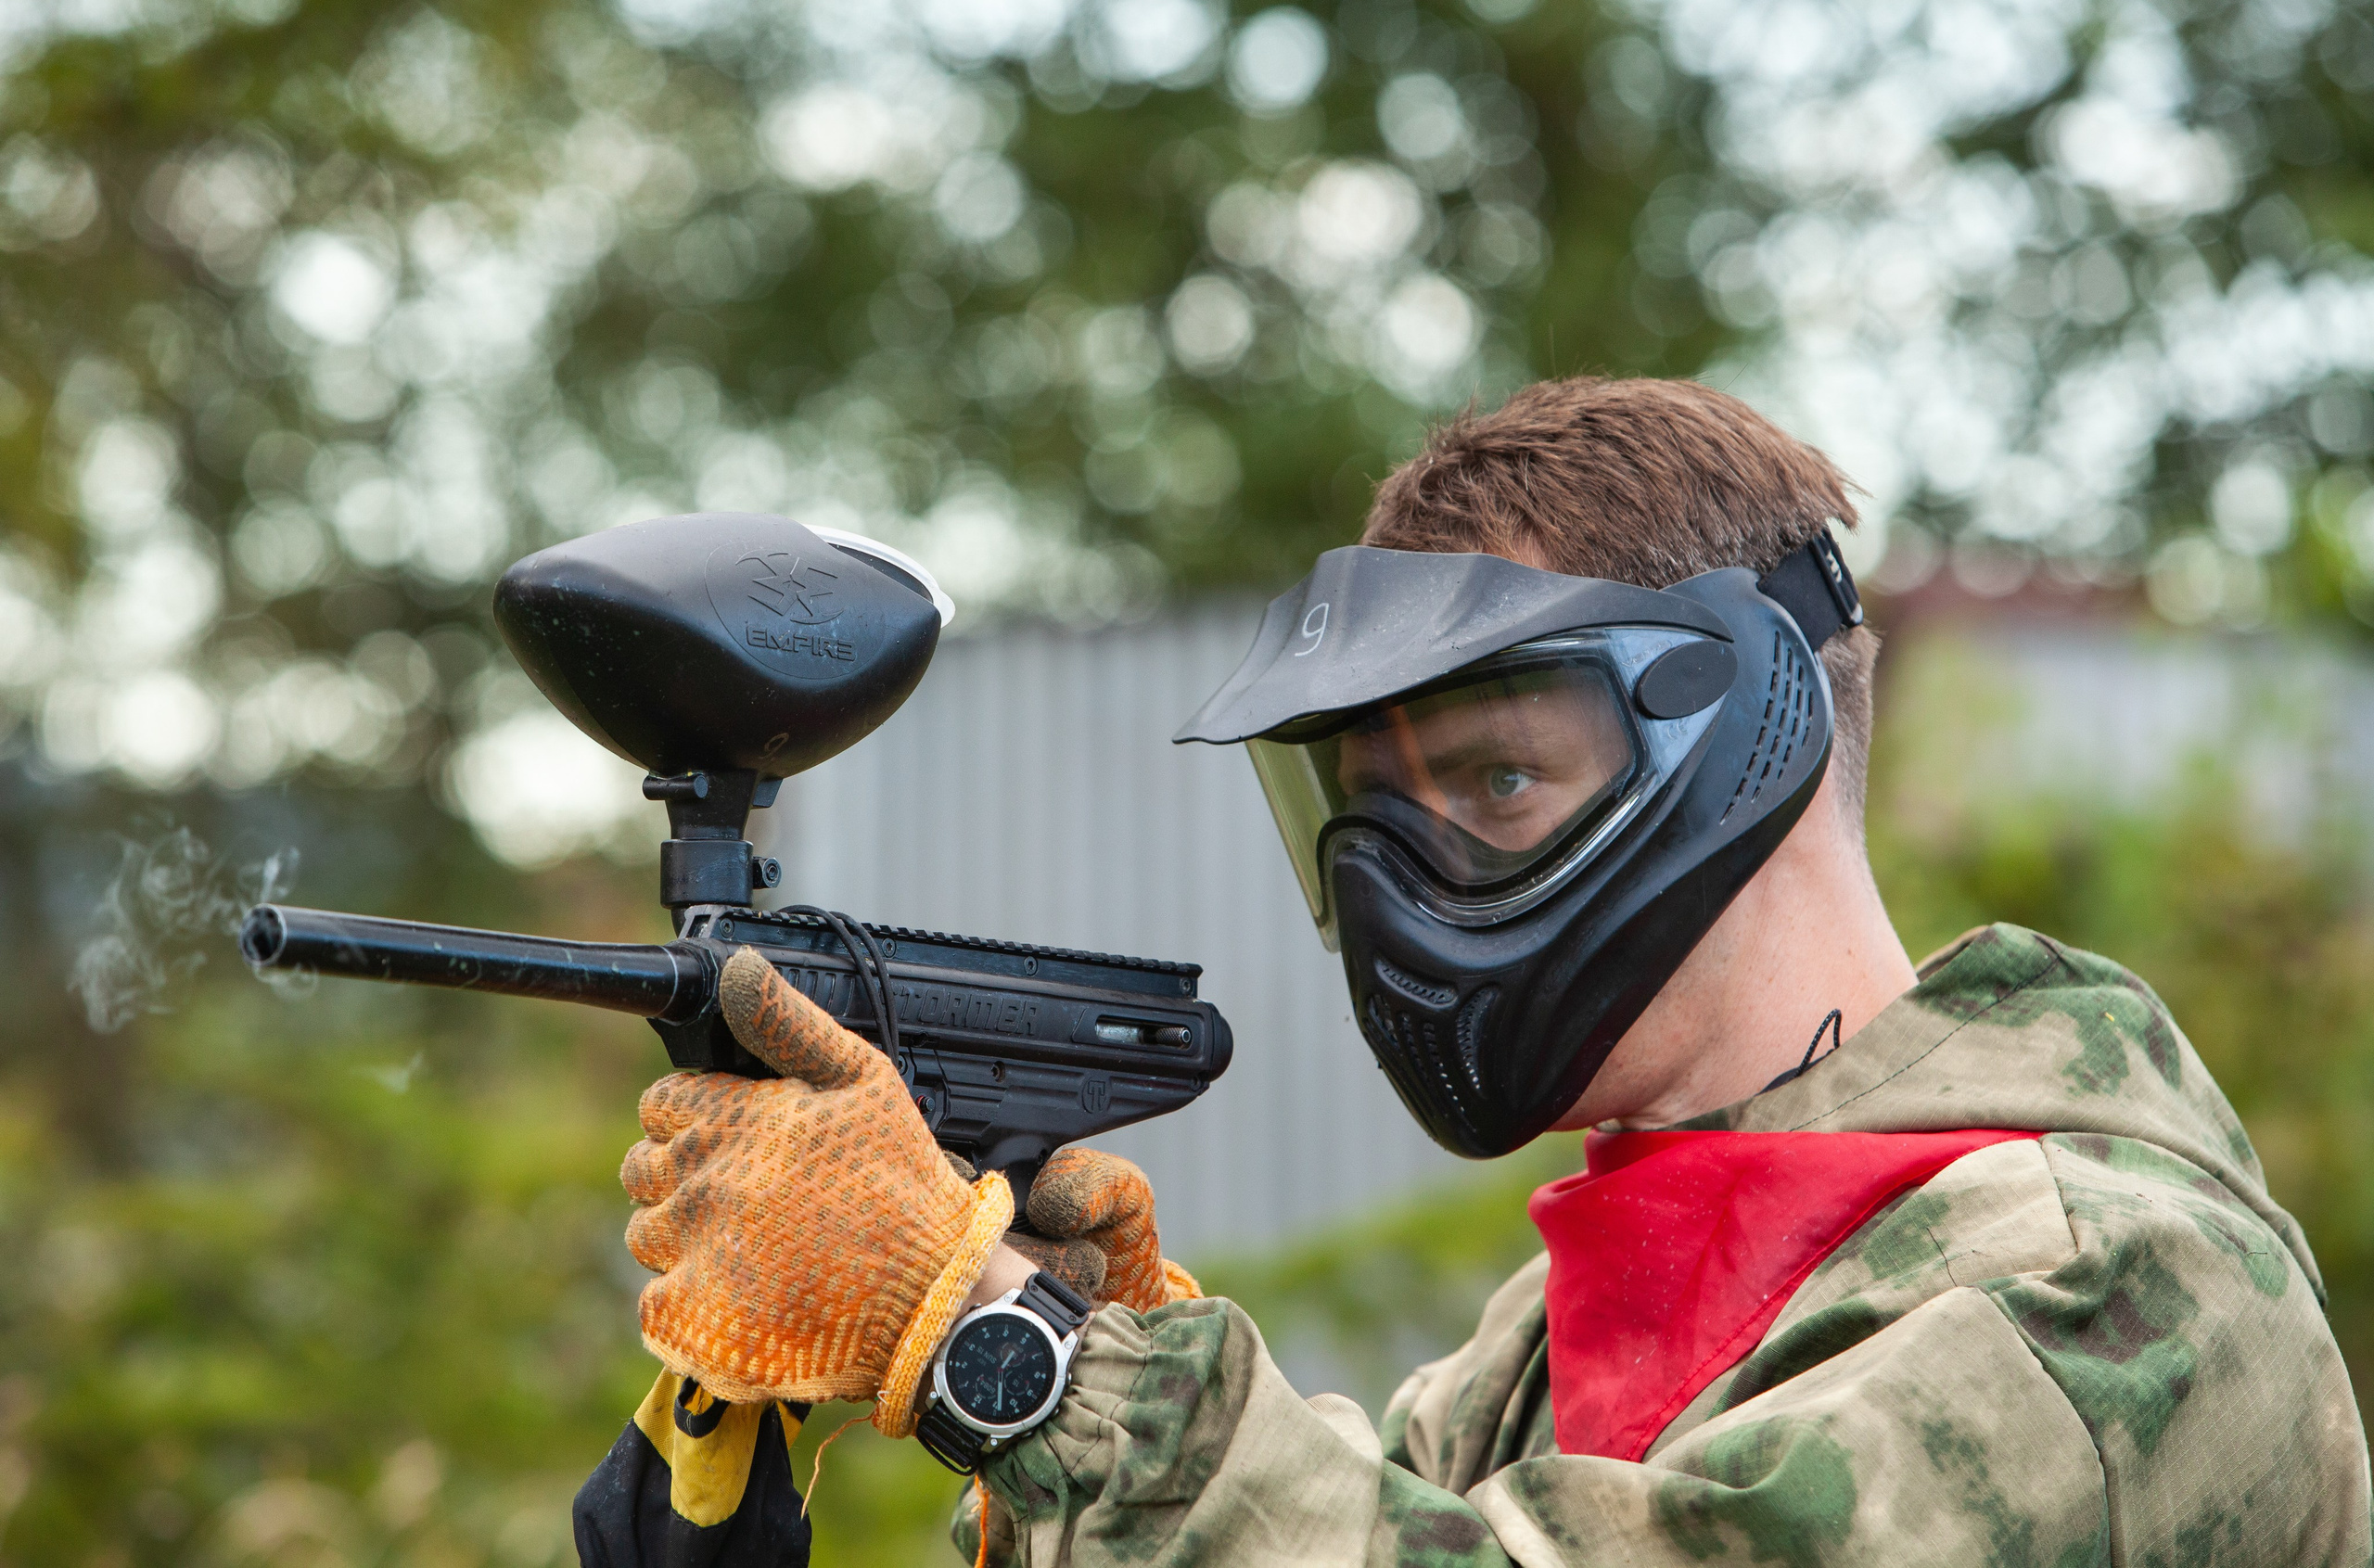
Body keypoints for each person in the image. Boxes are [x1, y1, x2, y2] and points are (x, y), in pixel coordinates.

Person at [577, 376, 2372, 1567]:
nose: (1407, 880)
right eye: (1364, 814)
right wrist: (1073, 1355)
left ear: (1749, 735)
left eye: (1495, 779)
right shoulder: (1551, 1333)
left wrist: (1005, 1353)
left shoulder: (2115, 1293)